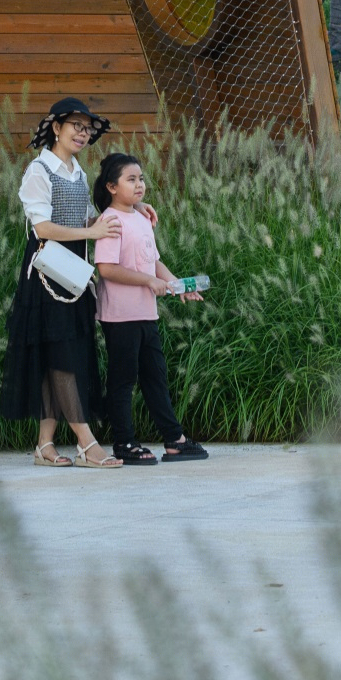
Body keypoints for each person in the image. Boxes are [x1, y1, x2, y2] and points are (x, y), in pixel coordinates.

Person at [0, 97, 121, 467]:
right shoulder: (39, 171)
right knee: (63, 357)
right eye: (76, 127)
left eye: (87, 129)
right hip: (46, 272)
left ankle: (44, 445)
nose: (82, 134)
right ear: (56, 128)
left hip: (73, 271)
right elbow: (42, 228)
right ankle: (86, 442)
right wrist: (91, 231)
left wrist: (129, 211)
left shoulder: (78, 172)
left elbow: (89, 219)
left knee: (59, 357)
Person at [91, 152, 209, 465]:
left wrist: (177, 285)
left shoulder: (141, 218)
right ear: (112, 187)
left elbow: (152, 260)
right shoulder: (110, 220)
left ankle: (175, 440)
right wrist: (147, 281)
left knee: (156, 376)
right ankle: (124, 443)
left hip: (146, 313)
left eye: (141, 178)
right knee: (123, 379)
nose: (140, 184)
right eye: (131, 179)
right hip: (120, 315)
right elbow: (106, 268)